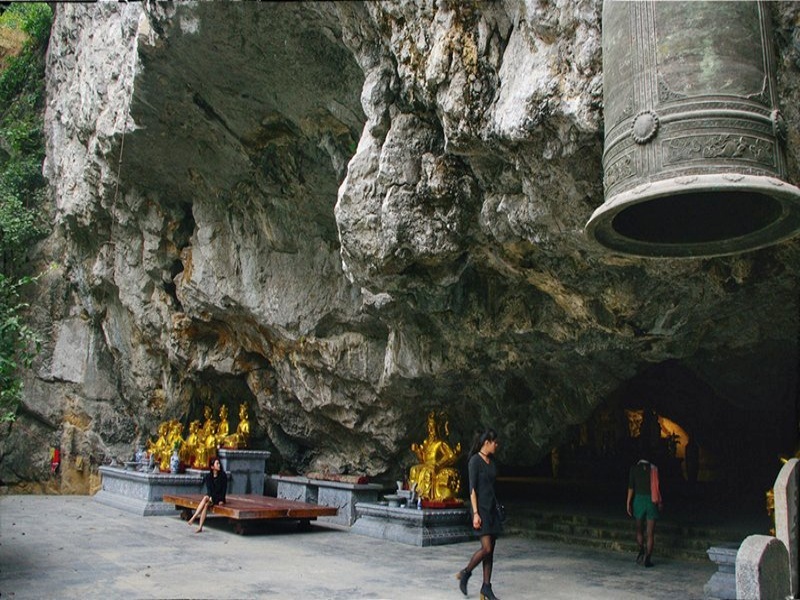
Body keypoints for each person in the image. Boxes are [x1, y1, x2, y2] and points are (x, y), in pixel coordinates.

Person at [456, 428, 502, 600]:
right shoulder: (474, 461)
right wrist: (475, 513)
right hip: (480, 509)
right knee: (486, 547)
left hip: (491, 509)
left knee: (491, 551)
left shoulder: (492, 462)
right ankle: (466, 572)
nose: (496, 445)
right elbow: (472, 489)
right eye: (494, 442)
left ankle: (486, 587)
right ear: (486, 443)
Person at [626, 451, 663, 567]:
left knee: (639, 530)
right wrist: (660, 501)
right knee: (650, 533)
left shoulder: (634, 469)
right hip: (651, 500)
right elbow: (657, 487)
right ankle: (648, 558)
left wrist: (628, 502)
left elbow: (631, 487)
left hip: (638, 500)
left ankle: (641, 549)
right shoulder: (654, 469)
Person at [187, 457, 227, 533]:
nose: (219, 465)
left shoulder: (223, 476)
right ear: (212, 467)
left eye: (219, 463)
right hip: (211, 497)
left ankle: (194, 517)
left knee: (206, 499)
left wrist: (221, 500)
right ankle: (200, 527)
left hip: (219, 498)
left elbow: (223, 490)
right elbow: (209, 490)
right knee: (206, 503)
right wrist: (211, 497)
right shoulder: (208, 477)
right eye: (217, 464)